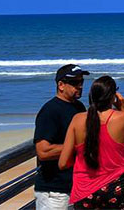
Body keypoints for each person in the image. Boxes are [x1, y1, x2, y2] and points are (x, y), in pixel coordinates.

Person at [59, 76, 124, 209]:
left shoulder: (77, 120)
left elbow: (63, 163)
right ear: (113, 97)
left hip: (85, 189)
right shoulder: (122, 117)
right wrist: (123, 108)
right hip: (116, 185)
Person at [34, 64, 91, 209]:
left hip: (76, 186)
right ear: (61, 85)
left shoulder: (78, 107)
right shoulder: (50, 111)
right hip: (54, 191)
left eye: (81, 82)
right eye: (74, 83)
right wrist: (78, 146)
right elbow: (43, 151)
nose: (79, 86)